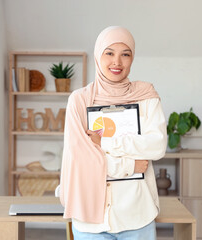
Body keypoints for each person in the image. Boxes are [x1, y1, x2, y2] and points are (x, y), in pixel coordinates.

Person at [59, 26, 167, 240]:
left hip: (137, 216)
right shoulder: (79, 100)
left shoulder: (145, 96)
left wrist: (104, 143)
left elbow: (156, 146)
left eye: (125, 54)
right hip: (91, 221)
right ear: (98, 55)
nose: (117, 62)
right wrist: (131, 165)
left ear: (132, 58)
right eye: (109, 53)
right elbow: (81, 162)